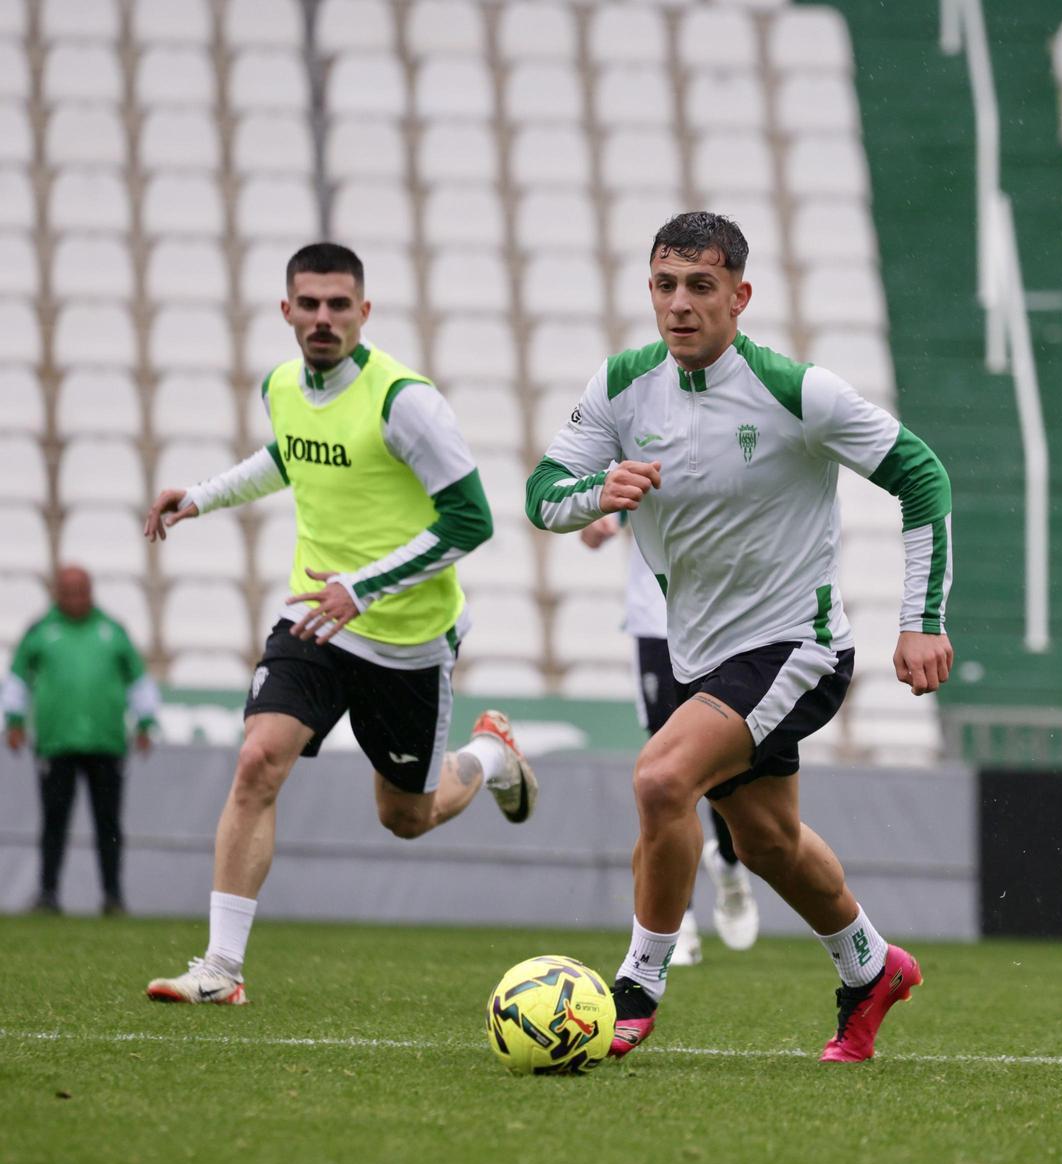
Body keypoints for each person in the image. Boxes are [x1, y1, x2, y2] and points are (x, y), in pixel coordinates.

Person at [526, 212, 953, 1063]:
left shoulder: (798, 391)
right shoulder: (621, 384)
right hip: (703, 656)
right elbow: (542, 493)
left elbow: (922, 476)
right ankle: (872, 967)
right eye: (664, 285)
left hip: (800, 645)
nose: (679, 305)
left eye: (700, 286)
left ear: (739, 296)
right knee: (767, 843)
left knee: (659, 779)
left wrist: (921, 620)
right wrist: (596, 492)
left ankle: (636, 989)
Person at [142, 242, 538, 1005]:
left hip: (408, 639)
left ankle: (489, 754)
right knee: (258, 760)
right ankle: (221, 971)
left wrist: (365, 586)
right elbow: (291, 457)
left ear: (365, 310)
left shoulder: (405, 401)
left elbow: (473, 519)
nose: (324, 318)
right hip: (315, 621)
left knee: (406, 817)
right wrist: (200, 496)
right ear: (286, 310)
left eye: (339, 304)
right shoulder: (283, 385)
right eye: (309, 304)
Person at [580, 515, 760, 964]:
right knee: (667, 773)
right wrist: (596, 523)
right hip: (656, 623)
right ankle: (679, 921)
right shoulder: (645, 449)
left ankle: (730, 867)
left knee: (721, 770)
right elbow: (597, 520)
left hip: (726, 624)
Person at [2, 565, 159, 916]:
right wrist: (13, 720)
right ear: (57, 593)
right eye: (69, 591)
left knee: (109, 824)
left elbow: (138, 679)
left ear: (91, 591)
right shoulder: (41, 631)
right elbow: (16, 677)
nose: (77, 598)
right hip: (56, 743)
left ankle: (113, 896)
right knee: (54, 822)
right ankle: (47, 894)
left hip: (106, 742)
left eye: (82, 590)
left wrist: (146, 721)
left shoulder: (113, 630)